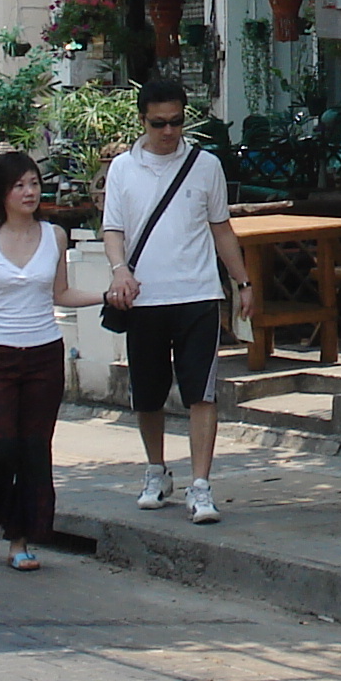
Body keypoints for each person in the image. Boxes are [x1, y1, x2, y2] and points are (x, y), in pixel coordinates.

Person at [0, 150, 107, 572]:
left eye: (34, 183)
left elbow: (61, 294)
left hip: (43, 355)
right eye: (19, 185)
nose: (29, 191)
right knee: (1, 447)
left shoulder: (54, 236)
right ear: (2, 194)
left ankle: (20, 539)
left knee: (34, 449)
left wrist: (103, 297)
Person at [104, 74, 252, 524]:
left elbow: (221, 226)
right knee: (147, 395)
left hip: (197, 294)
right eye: (158, 124)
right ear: (143, 122)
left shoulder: (205, 166)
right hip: (144, 298)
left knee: (201, 393)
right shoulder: (122, 169)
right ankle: (155, 470)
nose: (168, 132)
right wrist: (120, 270)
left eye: (176, 123)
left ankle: (201, 484)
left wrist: (242, 282)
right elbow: (113, 229)